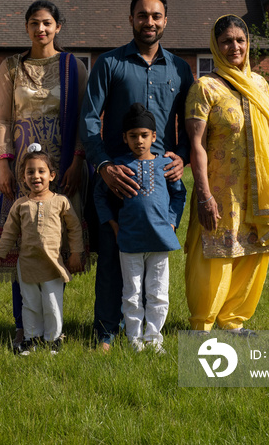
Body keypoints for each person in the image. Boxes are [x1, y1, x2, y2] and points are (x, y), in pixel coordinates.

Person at [80, 0, 194, 349]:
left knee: (156, 266)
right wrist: (103, 166)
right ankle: (107, 332)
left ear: (165, 21)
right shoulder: (110, 64)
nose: (149, 22)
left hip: (159, 179)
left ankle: (151, 333)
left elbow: (190, 125)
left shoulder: (179, 69)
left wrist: (182, 157)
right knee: (114, 258)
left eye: (156, 16)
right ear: (130, 19)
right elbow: (87, 119)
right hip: (117, 176)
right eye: (142, 15)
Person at [184, 14, 269, 335]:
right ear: (215, 45)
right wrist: (204, 194)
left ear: (247, 44)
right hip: (220, 191)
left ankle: (233, 321)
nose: (234, 46)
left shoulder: (261, 84)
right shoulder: (205, 88)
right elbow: (197, 146)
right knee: (215, 255)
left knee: (254, 253)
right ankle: (202, 325)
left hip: (260, 189)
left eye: (240, 40)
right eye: (226, 41)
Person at [0, 0, 89, 348]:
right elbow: (3, 118)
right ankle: (23, 325)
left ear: (58, 27)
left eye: (47, 23)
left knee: (53, 241)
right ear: (26, 27)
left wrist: (77, 161)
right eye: (34, 23)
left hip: (60, 169)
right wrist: (3, 163)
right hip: (21, 168)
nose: (41, 29)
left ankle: (54, 325)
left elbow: (82, 118)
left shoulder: (72, 66)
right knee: (23, 241)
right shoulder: (11, 67)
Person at [94, 103, 186, 353]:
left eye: (144, 135)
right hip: (129, 240)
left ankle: (154, 338)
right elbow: (100, 195)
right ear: (124, 137)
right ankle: (134, 338)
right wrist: (113, 225)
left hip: (160, 239)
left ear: (154, 136)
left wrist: (172, 221)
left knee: (158, 292)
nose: (139, 141)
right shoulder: (120, 167)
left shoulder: (164, 165)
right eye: (133, 136)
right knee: (132, 292)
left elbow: (179, 195)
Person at [0, 144, 84, 354]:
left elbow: (74, 228)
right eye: (30, 172)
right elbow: (9, 234)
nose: (36, 176)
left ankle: (53, 339)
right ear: (23, 177)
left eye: (41, 171)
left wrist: (77, 252)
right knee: (30, 303)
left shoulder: (61, 202)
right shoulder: (20, 205)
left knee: (52, 303)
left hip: (52, 263)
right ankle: (31, 338)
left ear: (51, 175)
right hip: (27, 264)